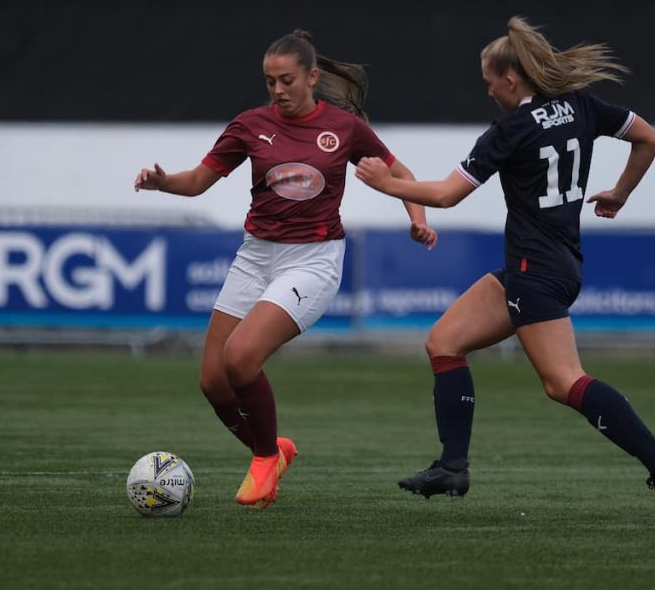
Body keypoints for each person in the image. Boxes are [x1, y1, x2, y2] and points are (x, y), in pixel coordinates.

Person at [355, 16, 655, 522]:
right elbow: (649, 138)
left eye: (490, 81)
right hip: (548, 264)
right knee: (444, 342)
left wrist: (386, 185)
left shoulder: (510, 130)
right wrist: (620, 193)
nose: (488, 91)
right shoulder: (580, 104)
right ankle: (452, 467)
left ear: (511, 79)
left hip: (536, 272)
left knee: (563, 382)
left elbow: (446, 195)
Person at [134, 29, 437, 510]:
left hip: (313, 260)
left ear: (312, 77)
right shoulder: (249, 125)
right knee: (213, 380)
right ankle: (274, 450)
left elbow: (400, 174)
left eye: (287, 80)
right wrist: (163, 182)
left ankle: (263, 459)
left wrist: (417, 219)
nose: (277, 90)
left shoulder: (344, 128)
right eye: (269, 81)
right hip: (256, 256)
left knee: (240, 358)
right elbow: (197, 182)